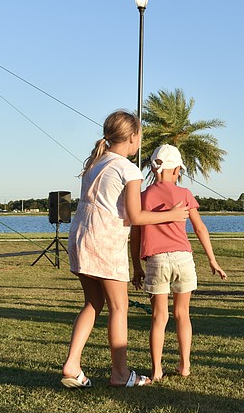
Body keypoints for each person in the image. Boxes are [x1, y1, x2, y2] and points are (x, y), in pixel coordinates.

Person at [62, 110, 189, 389]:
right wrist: (173, 215)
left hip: (80, 238)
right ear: (133, 137)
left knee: (93, 303)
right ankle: (120, 374)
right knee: (119, 308)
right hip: (105, 241)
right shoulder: (128, 169)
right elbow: (136, 216)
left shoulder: (94, 164)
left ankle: (72, 364)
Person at [130, 144, 228, 380]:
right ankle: (184, 365)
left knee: (158, 317)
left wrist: (136, 266)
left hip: (157, 261)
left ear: (154, 169)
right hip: (183, 259)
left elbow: (135, 235)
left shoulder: (142, 197)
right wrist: (212, 260)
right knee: (182, 313)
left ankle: (157, 370)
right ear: (176, 171)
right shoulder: (184, 194)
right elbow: (200, 228)